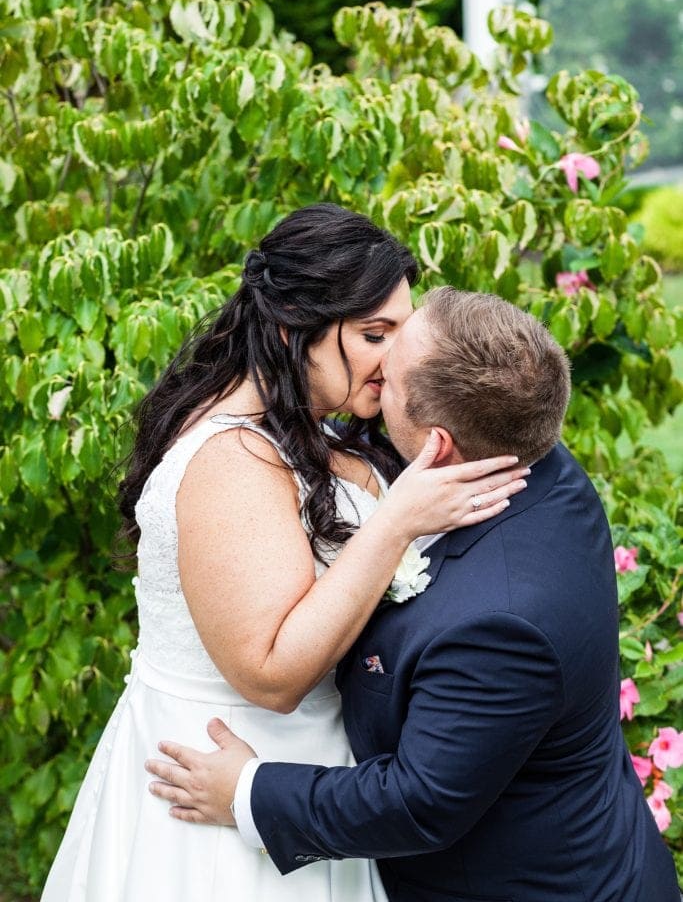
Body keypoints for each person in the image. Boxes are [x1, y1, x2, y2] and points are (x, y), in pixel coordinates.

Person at [41, 207, 528, 902]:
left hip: (299, 773)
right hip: (221, 782)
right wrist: (393, 527)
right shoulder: (231, 461)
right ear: (290, 326)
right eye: (371, 334)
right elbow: (269, 675)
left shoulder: (293, 425)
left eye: (399, 331)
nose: (393, 359)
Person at [145, 288, 681, 902]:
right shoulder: (526, 447)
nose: (376, 375)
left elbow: (416, 803)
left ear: (439, 446)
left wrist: (246, 791)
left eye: (391, 379)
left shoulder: (503, 623)